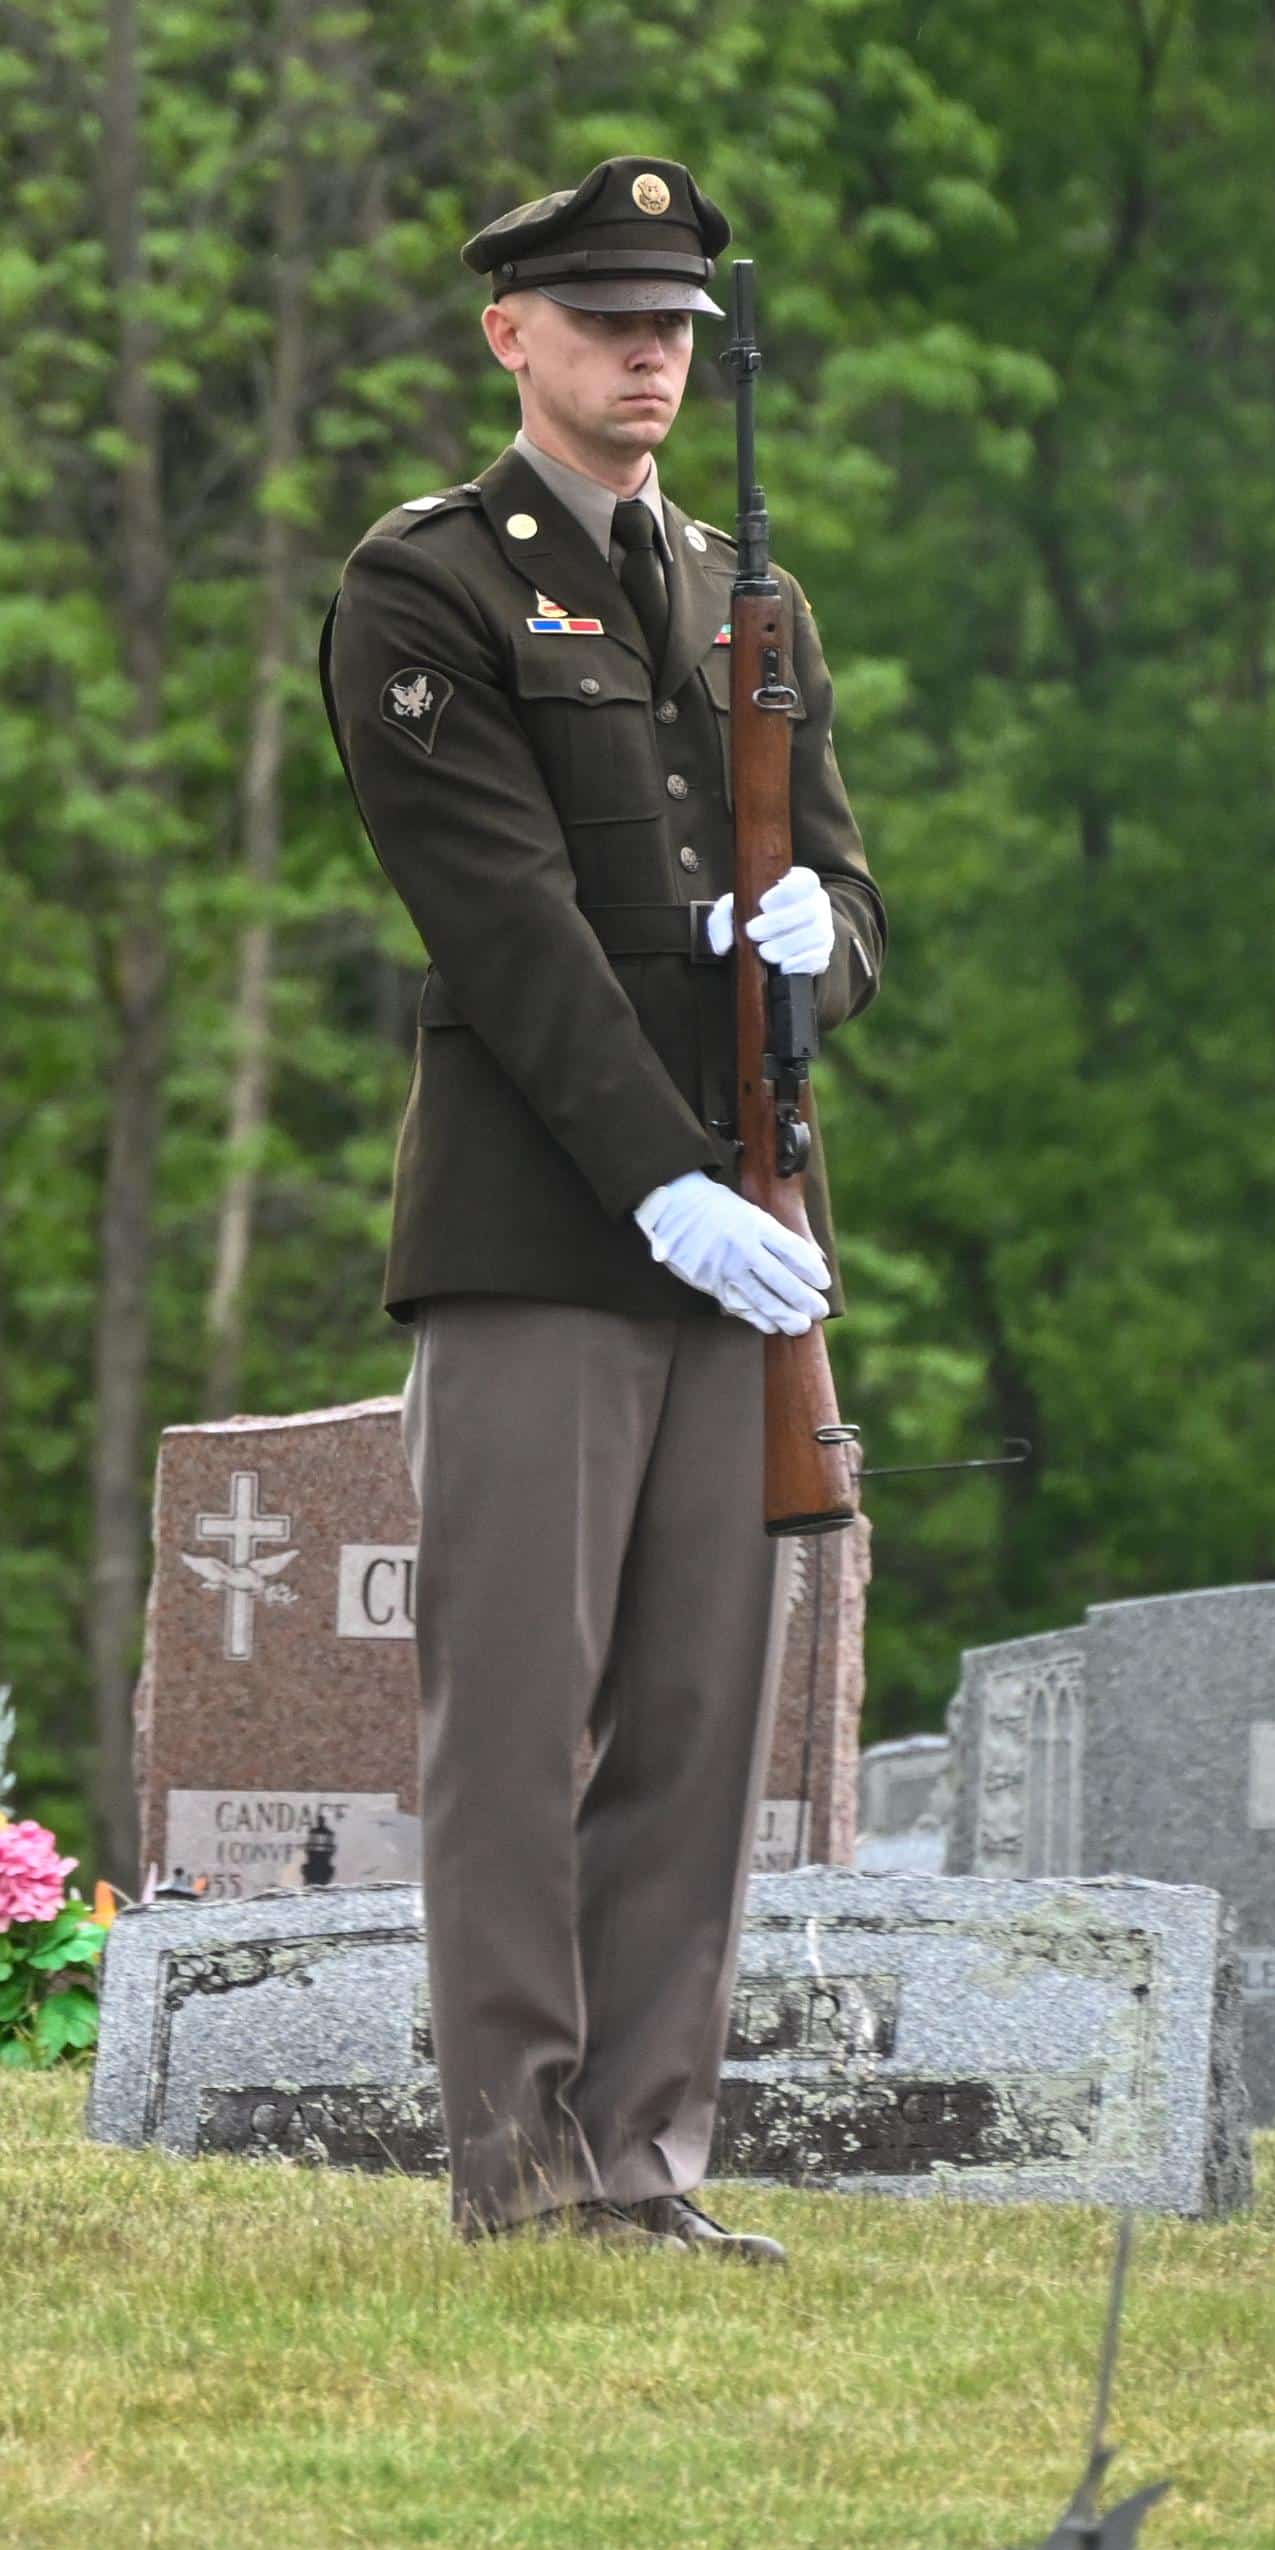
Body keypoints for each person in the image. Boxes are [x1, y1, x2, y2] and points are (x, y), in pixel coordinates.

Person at [317, 158, 883, 2257]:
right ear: (511, 338)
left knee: (692, 1719)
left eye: (672, 324)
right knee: (515, 1712)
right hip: (546, 1232)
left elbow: (845, 889)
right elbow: (499, 925)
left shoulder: (750, 594)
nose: (649, 353)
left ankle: (645, 2160)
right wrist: (656, 1181)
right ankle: (519, 2161)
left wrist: (818, 941)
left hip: (743, 1227)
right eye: (606, 320)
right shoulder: (431, 587)